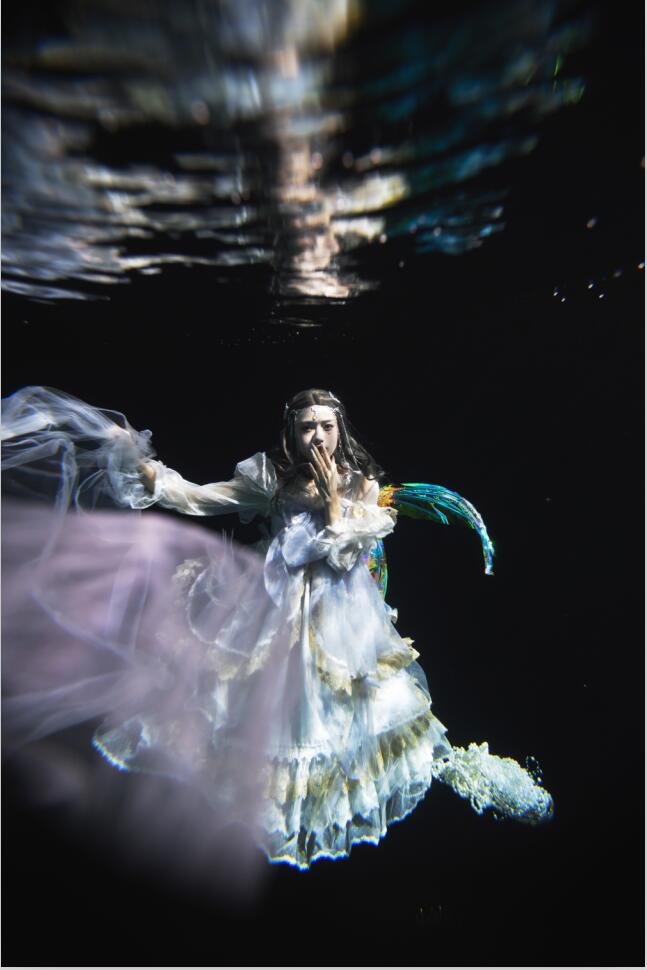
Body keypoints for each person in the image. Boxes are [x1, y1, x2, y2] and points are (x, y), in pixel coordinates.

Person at [1, 385, 552, 871]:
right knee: (276, 706)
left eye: (327, 425)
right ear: (291, 431)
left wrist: (334, 499)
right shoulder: (270, 477)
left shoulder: (361, 485)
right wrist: (142, 465)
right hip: (276, 606)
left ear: (341, 429)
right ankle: (264, 811)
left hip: (342, 615)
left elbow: (342, 555)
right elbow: (198, 498)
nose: (318, 436)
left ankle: (448, 780)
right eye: (307, 426)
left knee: (351, 706)